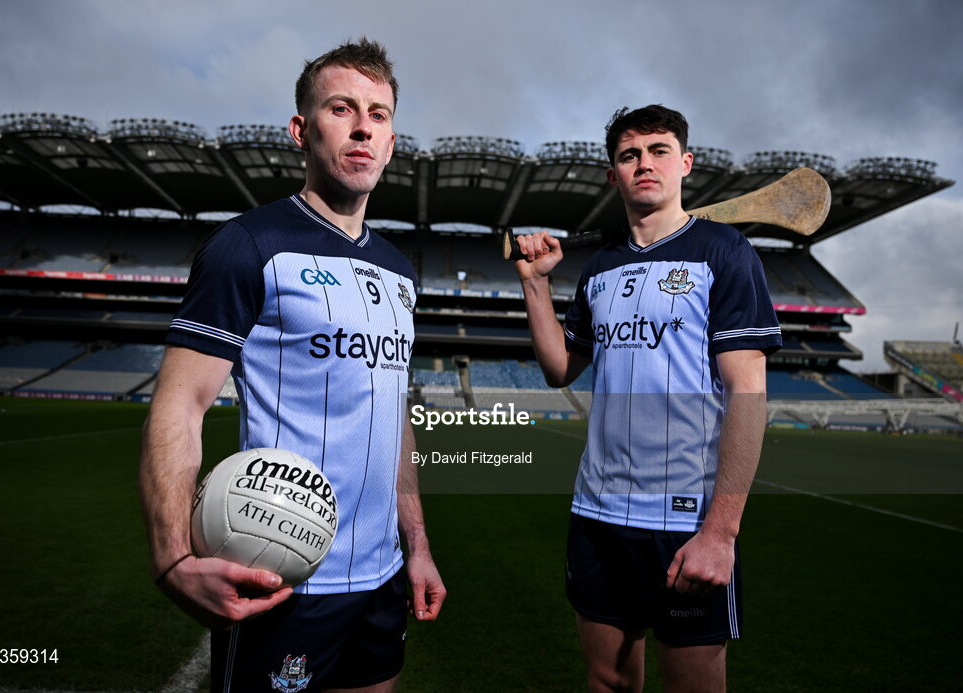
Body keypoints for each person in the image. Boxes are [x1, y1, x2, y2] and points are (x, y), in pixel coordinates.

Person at [139, 38, 445, 693]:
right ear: (301, 131)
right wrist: (171, 555)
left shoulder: (398, 270)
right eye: (342, 108)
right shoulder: (247, 245)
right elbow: (180, 403)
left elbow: (392, 419)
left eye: (380, 114)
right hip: (283, 571)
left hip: (383, 577)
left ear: (391, 141)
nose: (364, 124)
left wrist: (415, 544)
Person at [514, 105, 780, 692]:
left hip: (685, 520)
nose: (645, 164)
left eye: (659, 150)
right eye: (629, 155)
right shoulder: (600, 268)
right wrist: (536, 284)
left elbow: (748, 391)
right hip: (598, 513)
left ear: (684, 163)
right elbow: (561, 368)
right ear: (614, 175)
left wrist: (720, 533)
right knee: (607, 681)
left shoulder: (723, 252)